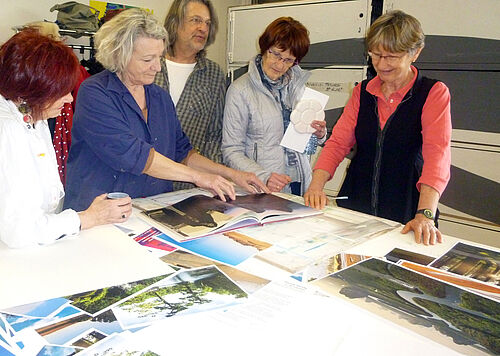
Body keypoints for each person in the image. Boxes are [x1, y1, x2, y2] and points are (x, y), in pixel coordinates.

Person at [64, 9, 268, 212]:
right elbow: (134, 155)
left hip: (150, 209)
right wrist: (199, 178)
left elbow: (183, 152)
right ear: (119, 55)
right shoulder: (94, 93)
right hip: (101, 211)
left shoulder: (159, 96)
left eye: (159, 57)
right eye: (147, 60)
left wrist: (233, 174)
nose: (157, 67)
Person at [304, 10, 452, 246]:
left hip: (406, 208)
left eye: (391, 56)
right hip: (356, 204)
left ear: (415, 53)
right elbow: (338, 143)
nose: (382, 65)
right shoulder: (362, 93)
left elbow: (438, 155)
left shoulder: (432, 93)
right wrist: (316, 186)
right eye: (376, 55)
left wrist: (425, 214)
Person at [0, 30, 132, 249]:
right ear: (33, 89)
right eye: (61, 91)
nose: (70, 98)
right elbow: (21, 231)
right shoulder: (8, 129)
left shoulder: (34, 115)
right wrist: (88, 217)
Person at [222, 17, 327, 196]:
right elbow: (231, 150)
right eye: (276, 55)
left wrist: (319, 135)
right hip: (261, 188)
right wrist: (265, 177)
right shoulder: (240, 90)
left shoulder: (298, 87)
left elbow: (306, 146)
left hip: (300, 183)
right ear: (265, 47)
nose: (280, 65)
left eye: (289, 60)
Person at [154, 0, 226, 191]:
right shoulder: (150, 63)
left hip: (189, 185)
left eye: (207, 23)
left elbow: (214, 135)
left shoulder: (213, 73)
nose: (203, 28)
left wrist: (209, 181)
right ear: (176, 23)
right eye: (196, 20)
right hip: (146, 178)